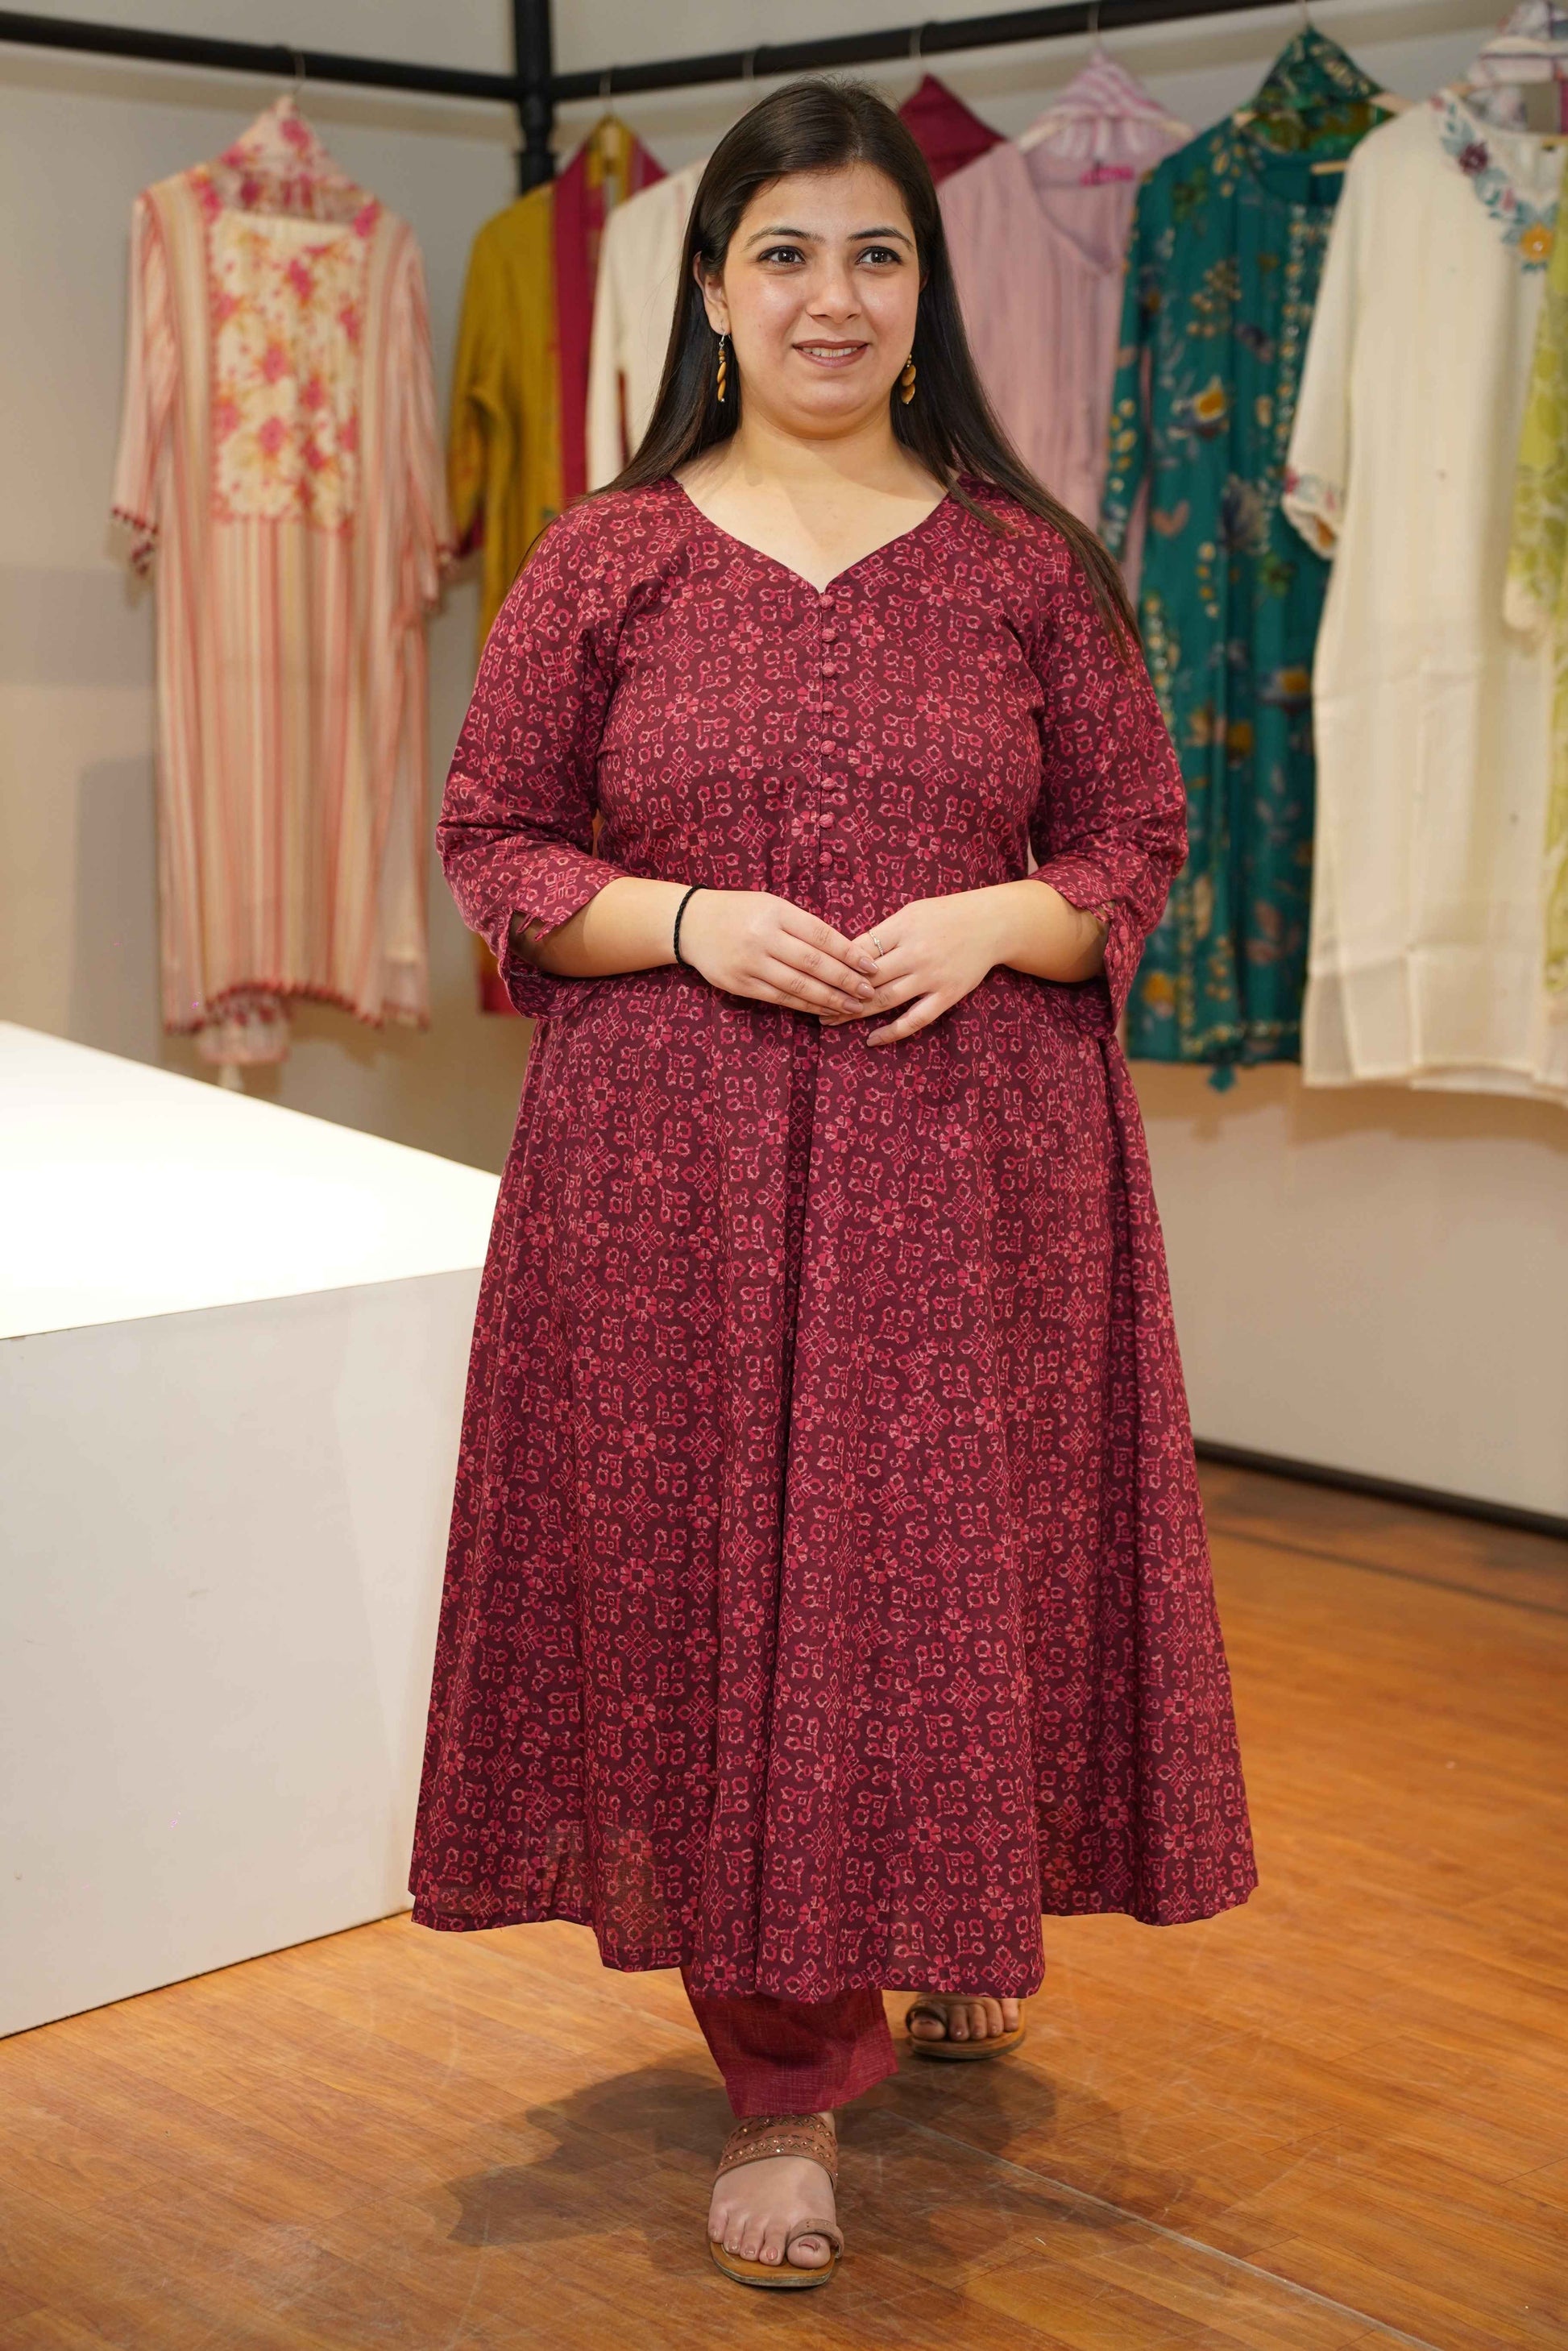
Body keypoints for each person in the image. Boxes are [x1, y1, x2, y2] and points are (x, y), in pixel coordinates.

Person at [410, 75, 1256, 2292]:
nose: (831, 297)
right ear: (708, 289)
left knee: (935, 1586)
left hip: (971, 1176)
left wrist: (1002, 918)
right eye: (783, 253)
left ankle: (945, 1912)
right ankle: (784, 2079)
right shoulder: (605, 556)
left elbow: (1136, 837)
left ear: (921, 290)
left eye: (874, 254)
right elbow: (494, 837)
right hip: (666, 1182)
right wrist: (687, 920)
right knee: (726, 1602)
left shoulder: (1020, 563)